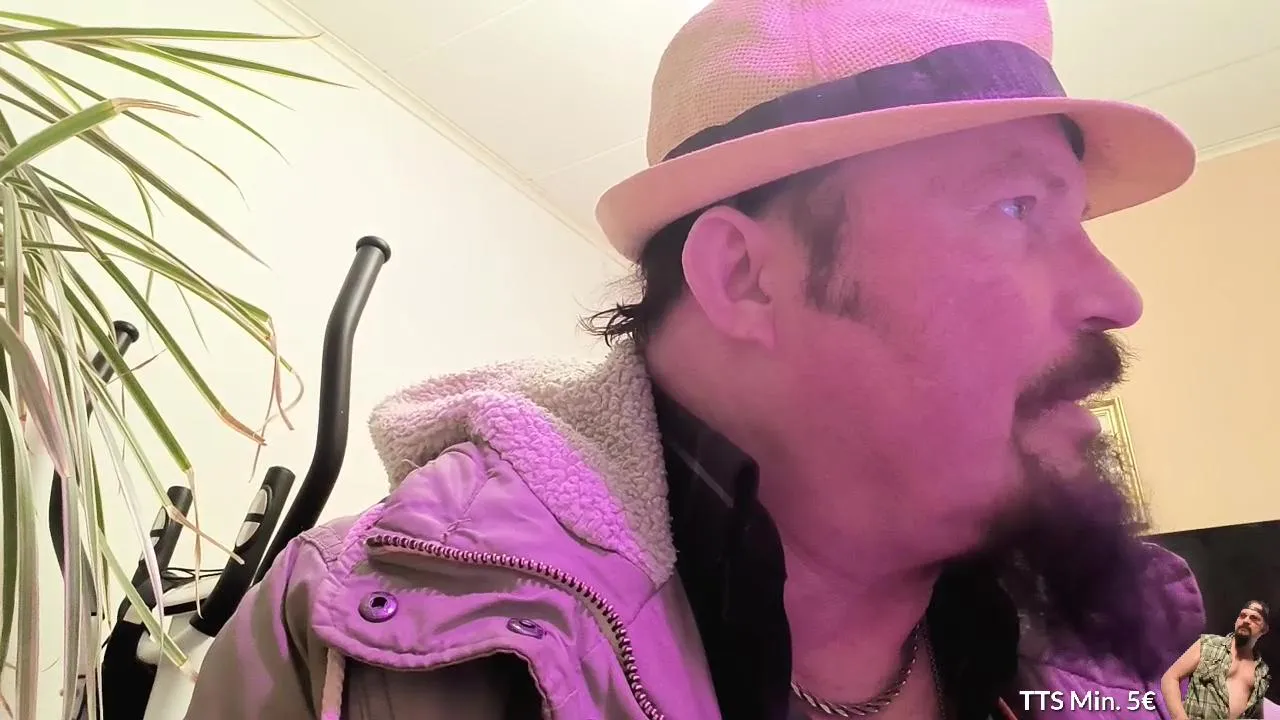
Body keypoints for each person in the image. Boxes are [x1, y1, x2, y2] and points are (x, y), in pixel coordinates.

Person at [185, 1, 1210, 718]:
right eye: (1015, 208)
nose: (1114, 295)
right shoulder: (357, 648)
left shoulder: (1135, 658)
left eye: (1076, 221)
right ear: (745, 276)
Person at [1162, 600, 1273, 720]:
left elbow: (1256, 714)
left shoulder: (1261, 671)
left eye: (1254, 618)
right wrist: (1180, 717)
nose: (1246, 620)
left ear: (1264, 629)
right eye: (1242, 615)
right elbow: (1170, 678)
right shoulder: (1208, 644)